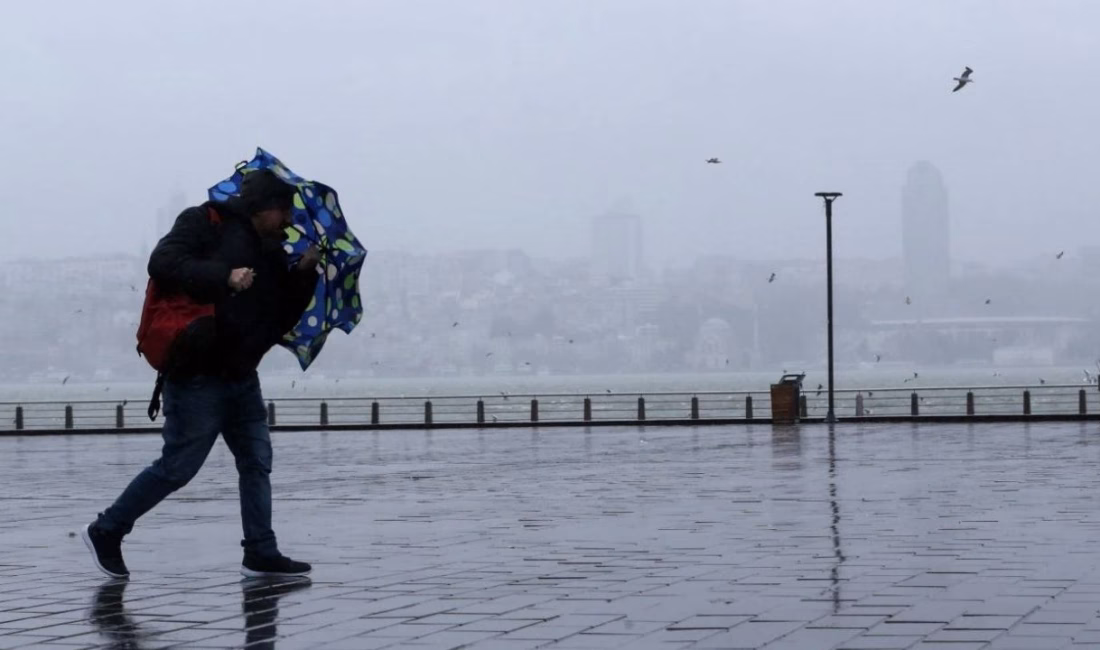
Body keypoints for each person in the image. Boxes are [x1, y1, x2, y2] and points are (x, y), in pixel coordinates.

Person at [82, 169, 319, 579]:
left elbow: (279, 318)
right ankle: (107, 529)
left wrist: (304, 274)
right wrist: (224, 277)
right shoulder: (203, 222)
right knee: (178, 466)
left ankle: (261, 550)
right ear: (262, 208)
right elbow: (163, 262)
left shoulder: (273, 252)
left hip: (242, 375)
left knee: (257, 461)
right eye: (283, 211)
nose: (288, 221)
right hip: (197, 374)